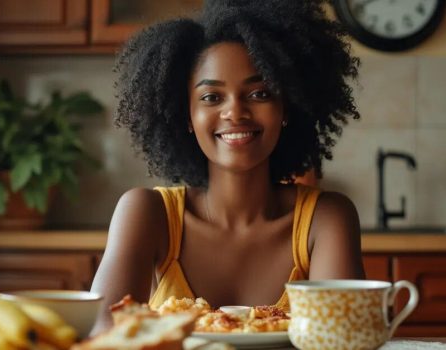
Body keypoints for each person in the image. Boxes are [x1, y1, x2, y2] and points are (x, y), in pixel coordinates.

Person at [89, 0, 364, 335]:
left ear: (287, 108)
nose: (235, 112)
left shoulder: (326, 217)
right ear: (187, 115)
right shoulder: (148, 212)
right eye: (211, 97)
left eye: (260, 93)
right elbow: (104, 330)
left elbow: (340, 337)